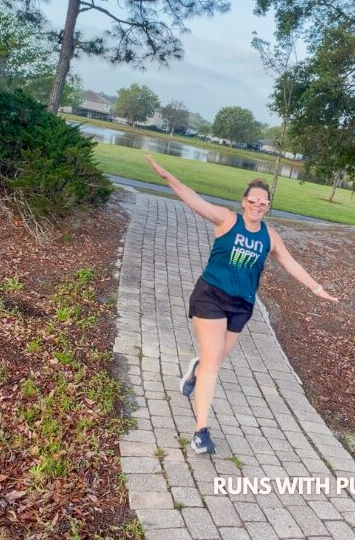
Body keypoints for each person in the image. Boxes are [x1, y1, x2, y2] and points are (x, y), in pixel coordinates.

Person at [143, 154, 339, 455]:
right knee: (213, 364)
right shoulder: (227, 220)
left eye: (263, 202)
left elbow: (290, 263)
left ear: (268, 206)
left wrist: (316, 288)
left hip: (241, 305)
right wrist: (166, 175)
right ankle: (201, 430)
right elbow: (193, 199)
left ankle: (195, 369)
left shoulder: (270, 236)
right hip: (210, 296)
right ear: (244, 202)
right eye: (253, 200)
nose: (258, 205)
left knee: (214, 360)